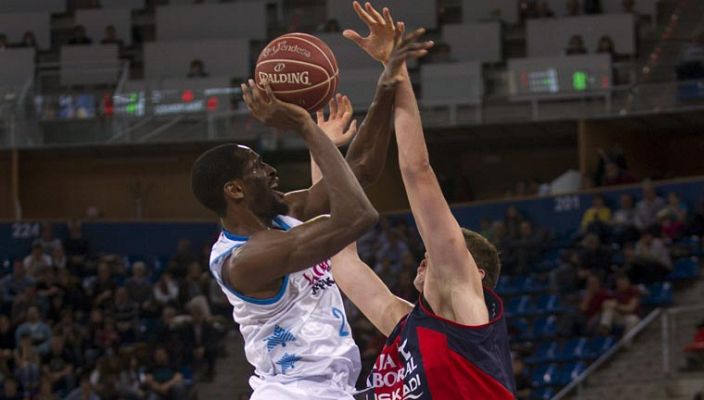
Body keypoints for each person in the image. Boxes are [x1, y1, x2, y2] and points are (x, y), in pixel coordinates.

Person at [189, 3, 428, 397]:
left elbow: (362, 170)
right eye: (258, 167)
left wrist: (388, 80)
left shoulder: (286, 213)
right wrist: (302, 124)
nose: (271, 172)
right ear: (234, 190)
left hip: (332, 389)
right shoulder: (245, 260)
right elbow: (357, 216)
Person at [329, 6, 515, 398]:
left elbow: (417, 170)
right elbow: (343, 262)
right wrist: (324, 152)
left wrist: (395, 70)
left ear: (475, 273)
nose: (426, 255)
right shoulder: (408, 326)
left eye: (435, 251)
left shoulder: (460, 297)